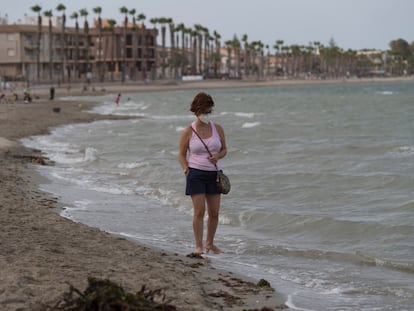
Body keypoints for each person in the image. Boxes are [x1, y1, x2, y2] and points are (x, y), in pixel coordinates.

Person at [178, 92, 227, 254]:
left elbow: (224, 149)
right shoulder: (189, 131)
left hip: (214, 174)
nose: (207, 114)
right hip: (196, 174)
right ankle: (198, 246)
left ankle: (210, 244)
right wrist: (186, 170)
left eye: (209, 111)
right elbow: (181, 154)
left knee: (214, 212)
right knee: (200, 212)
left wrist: (218, 156)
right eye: (204, 111)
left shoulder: (217, 128)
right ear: (196, 111)